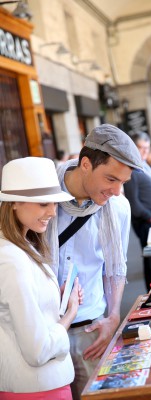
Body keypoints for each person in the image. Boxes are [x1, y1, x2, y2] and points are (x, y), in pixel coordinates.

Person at [47, 124, 143, 400]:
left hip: (92, 329)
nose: (116, 191)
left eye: (123, 182)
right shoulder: (45, 200)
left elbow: (115, 268)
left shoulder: (118, 208)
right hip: (45, 331)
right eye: (111, 179)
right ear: (86, 164)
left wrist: (114, 317)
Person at [0, 157, 82, 399]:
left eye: (54, 203)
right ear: (14, 203)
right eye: (44, 203)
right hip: (37, 388)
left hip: (40, 386)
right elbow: (38, 350)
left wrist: (56, 299)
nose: (52, 212)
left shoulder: (21, 245)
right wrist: (69, 314)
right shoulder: (12, 258)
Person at [123, 131, 151, 292]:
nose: (144, 152)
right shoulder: (132, 170)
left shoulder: (142, 165)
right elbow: (134, 203)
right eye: (141, 148)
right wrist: (150, 217)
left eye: (147, 148)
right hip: (146, 222)